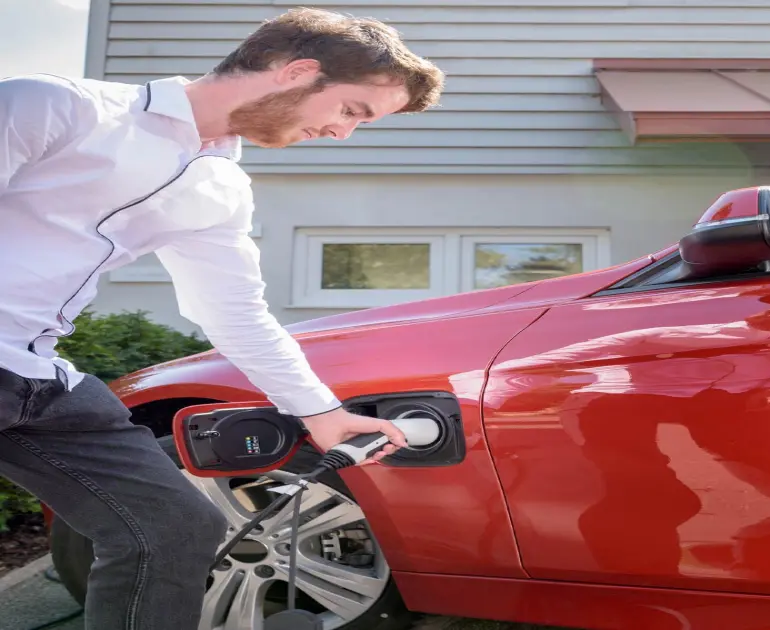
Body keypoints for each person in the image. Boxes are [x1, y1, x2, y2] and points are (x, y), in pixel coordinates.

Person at [0, 7, 444, 629]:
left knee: (177, 526)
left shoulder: (221, 187)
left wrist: (322, 413)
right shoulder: (53, 106)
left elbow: (235, 313)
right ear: (296, 72)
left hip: (35, 376)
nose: (344, 134)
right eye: (351, 111)